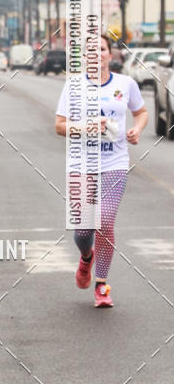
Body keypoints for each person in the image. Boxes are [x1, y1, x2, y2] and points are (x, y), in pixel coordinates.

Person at [55, 33, 148, 308]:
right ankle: (86, 258)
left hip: (114, 163)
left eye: (103, 49)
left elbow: (141, 112)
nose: (97, 54)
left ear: (111, 54)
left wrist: (136, 130)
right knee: (84, 229)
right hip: (81, 164)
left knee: (105, 221)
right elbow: (60, 126)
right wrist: (86, 127)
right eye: (91, 51)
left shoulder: (126, 84)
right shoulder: (73, 87)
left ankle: (102, 284)